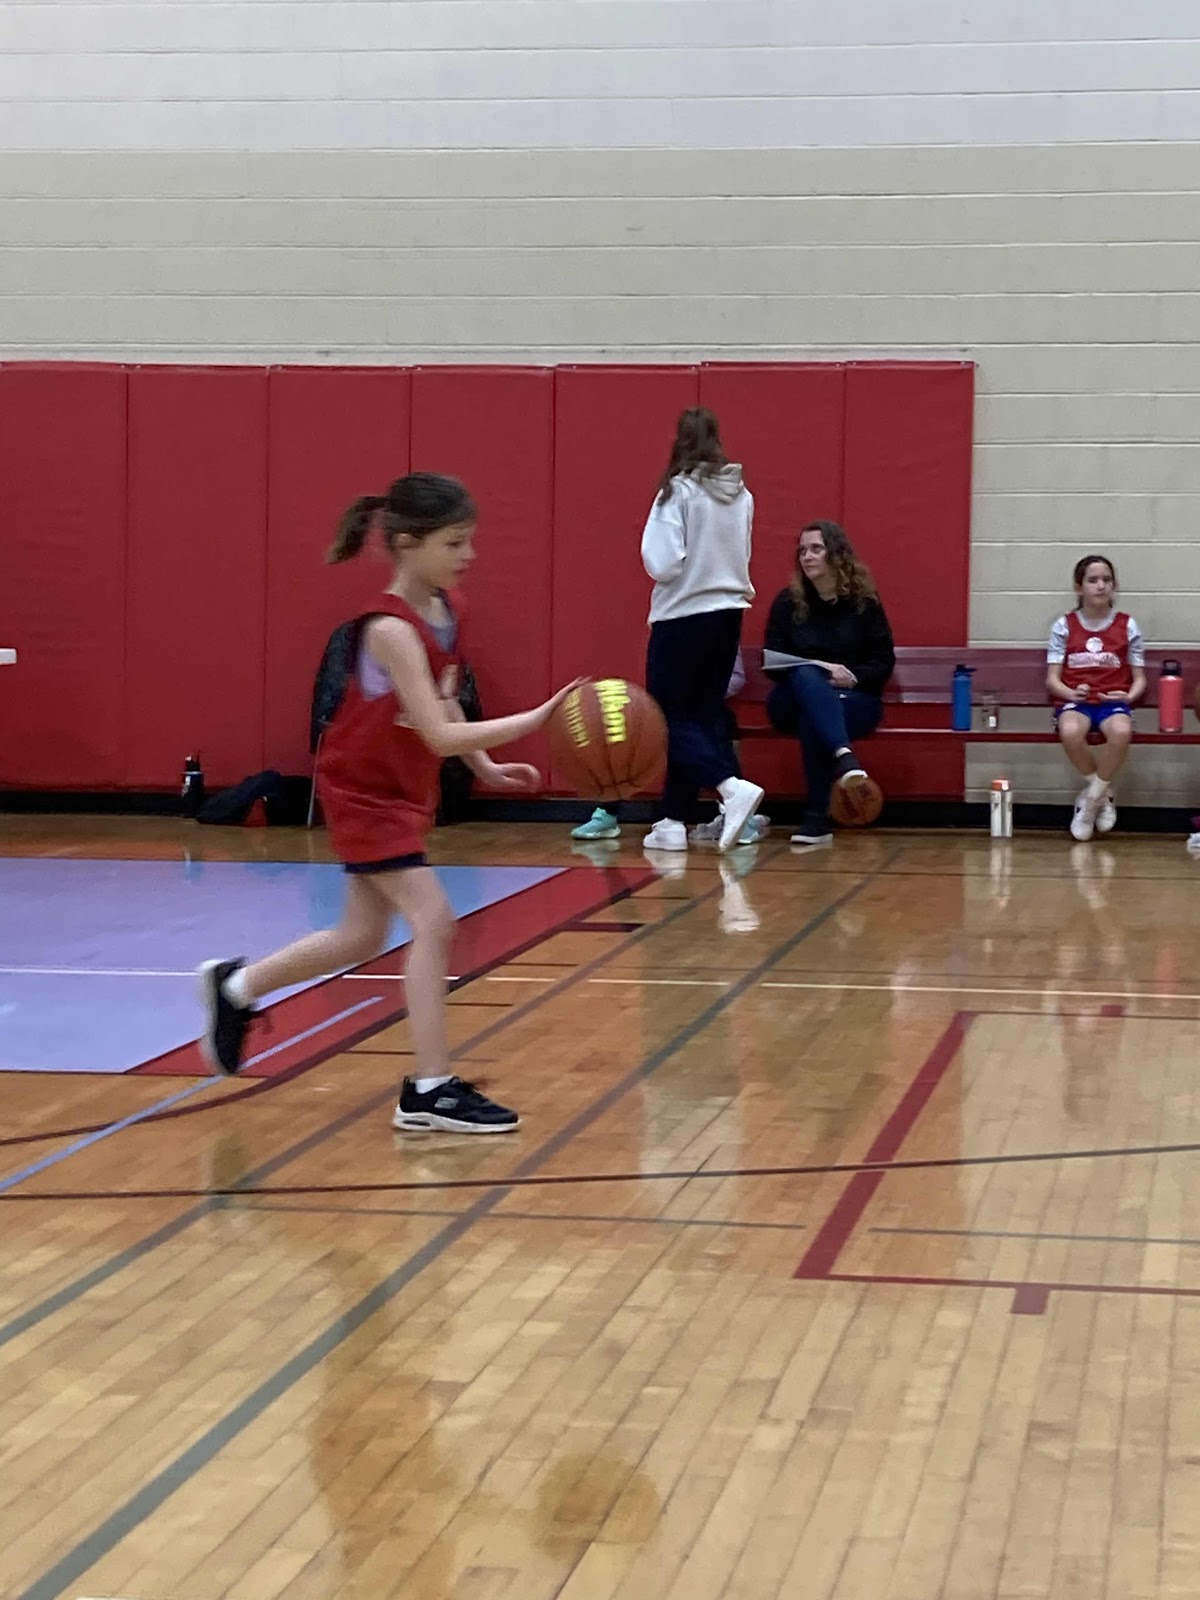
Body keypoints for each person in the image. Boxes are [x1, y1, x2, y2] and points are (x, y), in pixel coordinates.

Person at [198, 472, 583, 1133]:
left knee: (361, 935)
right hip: (363, 791)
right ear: (407, 543)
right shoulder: (388, 630)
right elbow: (436, 735)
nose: (469, 555)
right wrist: (536, 719)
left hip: (403, 791)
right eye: (454, 543)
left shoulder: (448, 612)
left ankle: (235, 988)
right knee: (435, 921)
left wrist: (486, 766)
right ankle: (429, 1089)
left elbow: (443, 705)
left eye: (470, 541)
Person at [639, 407, 763, 854]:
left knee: (668, 716)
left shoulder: (678, 491)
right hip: (728, 614)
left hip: (682, 615)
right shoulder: (741, 495)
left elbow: (662, 563)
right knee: (699, 717)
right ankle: (673, 819)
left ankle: (730, 787)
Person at [764, 520, 895, 846]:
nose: (807, 556)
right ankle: (843, 756)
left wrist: (853, 677)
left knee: (814, 718)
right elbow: (772, 661)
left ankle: (816, 819)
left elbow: (883, 661)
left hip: (853, 700)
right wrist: (819, 671)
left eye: (816, 549)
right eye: (802, 551)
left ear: (836, 554)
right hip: (790, 700)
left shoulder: (864, 603)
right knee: (808, 676)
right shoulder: (787, 602)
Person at [570, 654, 771, 847]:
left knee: (673, 719)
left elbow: (734, 678)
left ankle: (730, 790)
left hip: (700, 695)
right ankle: (671, 821)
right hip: (696, 695)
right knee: (673, 725)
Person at [1046, 554, 1145, 842]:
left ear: (1114, 586)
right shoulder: (1064, 625)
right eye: (1093, 580)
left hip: (1112, 703)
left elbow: (1140, 679)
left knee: (1121, 732)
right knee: (1070, 731)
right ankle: (1103, 793)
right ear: (1079, 587)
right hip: (1076, 702)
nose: (1101, 586)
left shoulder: (1127, 625)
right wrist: (1070, 693)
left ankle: (1090, 802)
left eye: (1106, 580)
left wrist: (1128, 696)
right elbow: (1052, 679)